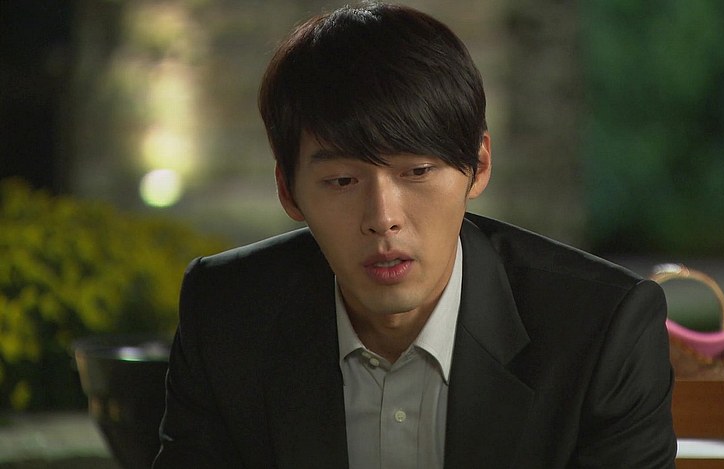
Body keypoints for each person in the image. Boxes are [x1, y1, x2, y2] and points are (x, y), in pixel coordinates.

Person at [153, 3, 677, 468]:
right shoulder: (228, 312)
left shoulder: (599, 329)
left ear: (478, 166)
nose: (383, 217)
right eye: (342, 181)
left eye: (418, 172)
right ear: (288, 192)